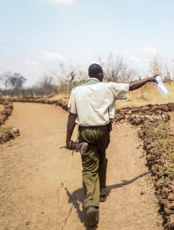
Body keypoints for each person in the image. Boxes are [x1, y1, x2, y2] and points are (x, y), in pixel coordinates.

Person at [65, 63, 156, 227]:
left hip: (85, 132)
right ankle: (101, 192)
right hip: (103, 131)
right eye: (103, 74)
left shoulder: (76, 91)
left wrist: (68, 140)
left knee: (88, 167)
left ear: (89, 75)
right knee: (102, 158)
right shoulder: (108, 87)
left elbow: (72, 116)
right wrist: (149, 79)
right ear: (99, 74)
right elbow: (132, 86)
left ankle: (91, 205)